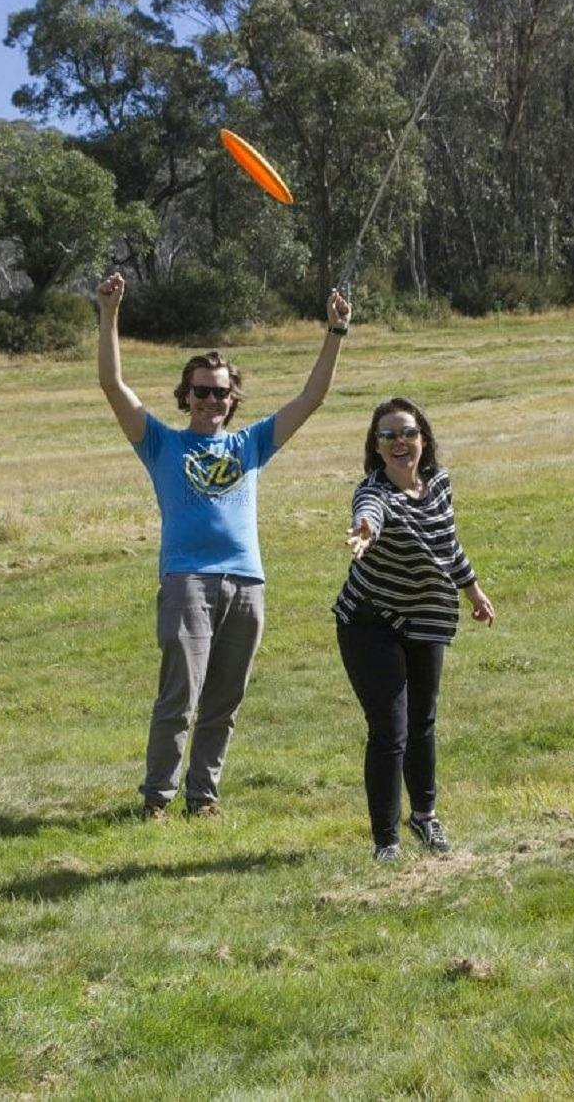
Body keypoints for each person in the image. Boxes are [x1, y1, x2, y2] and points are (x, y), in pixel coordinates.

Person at [96, 272, 352, 821]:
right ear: (185, 396)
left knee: (224, 702)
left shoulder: (252, 443)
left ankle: (203, 797)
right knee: (179, 698)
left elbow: (313, 397)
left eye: (220, 391)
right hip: (187, 580)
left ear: (232, 398)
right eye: (201, 390)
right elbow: (113, 386)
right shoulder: (160, 442)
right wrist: (110, 314)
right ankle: (156, 800)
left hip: (247, 582)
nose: (211, 399)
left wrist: (334, 331)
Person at [334, 397, 495, 861]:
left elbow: (448, 543)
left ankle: (425, 817)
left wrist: (474, 592)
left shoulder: (439, 485)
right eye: (388, 436)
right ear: (377, 447)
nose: (399, 442)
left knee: (423, 721)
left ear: (423, 438)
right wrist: (363, 530)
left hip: (426, 618)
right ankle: (386, 842)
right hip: (370, 622)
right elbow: (369, 514)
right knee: (390, 729)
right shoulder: (374, 493)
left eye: (407, 432)